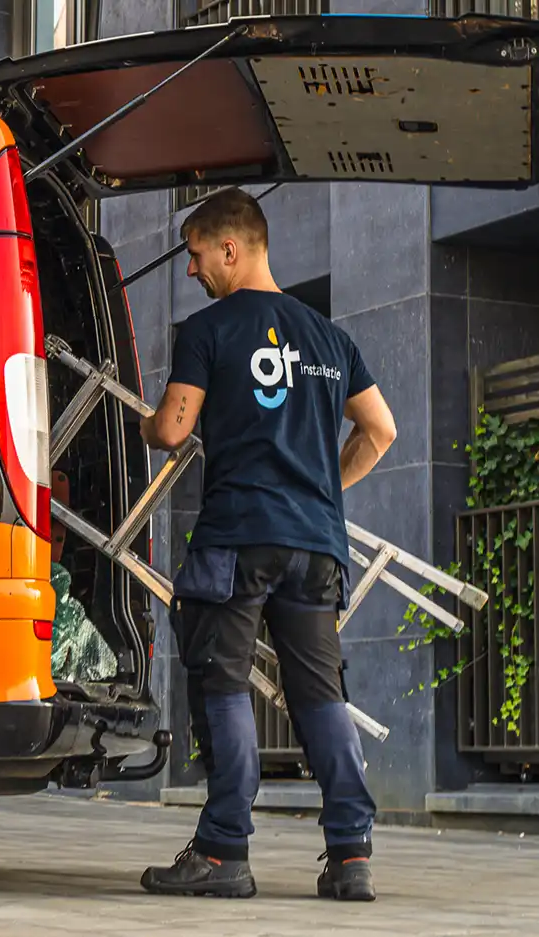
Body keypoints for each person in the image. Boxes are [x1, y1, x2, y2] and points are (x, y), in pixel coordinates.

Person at [137, 188, 397, 902]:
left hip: (236, 539)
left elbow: (170, 428)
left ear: (230, 248)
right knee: (319, 694)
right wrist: (323, 493)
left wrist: (149, 424)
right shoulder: (327, 337)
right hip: (314, 545)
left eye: (194, 255)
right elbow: (380, 430)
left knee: (221, 684)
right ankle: (349, 855)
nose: (190, 271)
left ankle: (223, 851)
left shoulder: (209, 329)